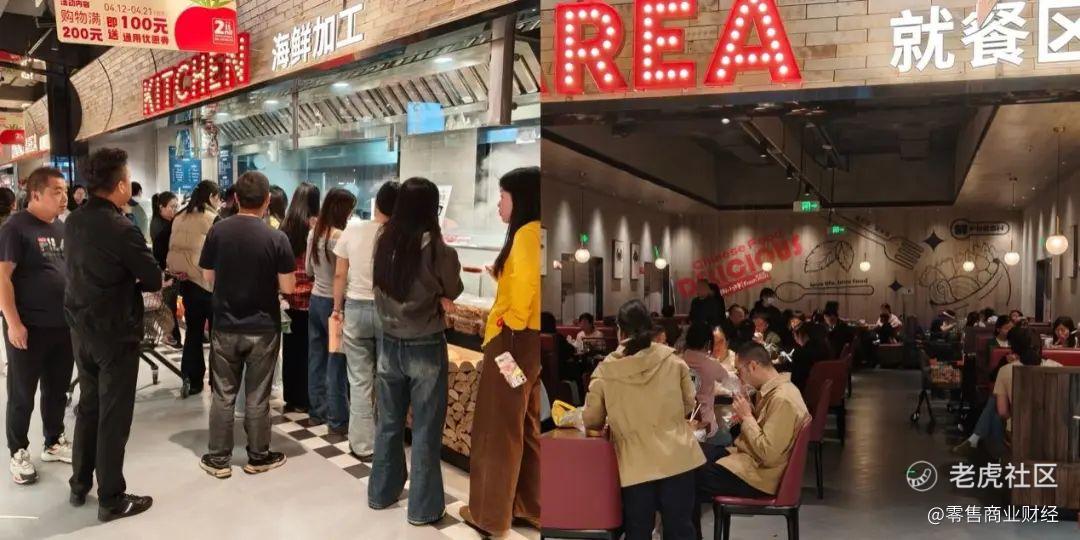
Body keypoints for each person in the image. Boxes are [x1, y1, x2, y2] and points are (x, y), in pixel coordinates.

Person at [64, 148, 161, 521]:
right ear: (120, 185)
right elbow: (152, 277)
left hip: (81, 328)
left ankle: (79, 484)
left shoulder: (74, 220)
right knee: (114, 415)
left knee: (89, 405)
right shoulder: (122, 227)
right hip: (115, 332)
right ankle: (111, 498)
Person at [368, 177, 463, 526]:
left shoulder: (384, 242)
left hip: (389, 342)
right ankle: (423, 508)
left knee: (388, 422)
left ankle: (381, 492)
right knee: (425, 429)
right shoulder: (439, 250)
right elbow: (453, 287)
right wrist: (438, 296)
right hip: (425, 344)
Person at [197, 171, 296, 479]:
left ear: (236, 199)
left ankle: (218, 459)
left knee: (223, 394)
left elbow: (208, 276)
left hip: (225, 325)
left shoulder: (218, 231)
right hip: (263, 328)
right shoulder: (277, 238)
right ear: (267, 201)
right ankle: (258, 456)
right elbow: (289, 286)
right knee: (258, 395)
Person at [462, 167, 542, 536]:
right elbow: (523, 282)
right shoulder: (535, 233)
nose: (498, 203)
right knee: (524, 425)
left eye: (503, 196)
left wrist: (507, 323)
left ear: (520, 198)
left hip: (511, 341)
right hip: (529, 343)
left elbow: (523, 291)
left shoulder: (525, 234)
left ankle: (490, 515)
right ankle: (528, 506)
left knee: (497, 427)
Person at [582, 300, 704, 540]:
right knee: (680, 529)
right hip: (678, 457)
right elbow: (689, 404)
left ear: (620, 330)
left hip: (635, 464)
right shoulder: (672, 360)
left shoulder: (606, 370)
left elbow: (593, 419)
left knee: (638, 531)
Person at [0, 167, 73, 485]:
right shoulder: (15, 228)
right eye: (57, 191)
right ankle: (18, 451)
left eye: (65, 190)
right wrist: (13, 323)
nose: (64, 197)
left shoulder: (61, 227)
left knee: (57, 389)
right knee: (22, 393)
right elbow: (2, 278)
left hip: (62, 325)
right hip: (28, 326)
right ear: (36, 194)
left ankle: (53, 441)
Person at [331, 181, 399, 460]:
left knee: (359, 381)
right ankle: (385, 443)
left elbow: (339, 274)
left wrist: (337, 308)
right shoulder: (399, 236)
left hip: (356, 308)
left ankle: (362, 445)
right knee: (386, 379)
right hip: (387, 311)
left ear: (376, 204)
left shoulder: (353, 229)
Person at [697, 343, 809, 503]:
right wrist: (749, 414)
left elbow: (768, 454)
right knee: (693, 450)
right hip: (749, 460)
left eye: (739, 371)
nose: (739, 377)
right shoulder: (774, 392)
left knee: (685, 472)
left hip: (759, 477)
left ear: (753, 366)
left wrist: (747, 417)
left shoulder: (783, 399)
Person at [306, 188, 355, 437]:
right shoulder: (340, 237)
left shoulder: (314, 232)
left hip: (315, 300)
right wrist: (338, 307)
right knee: (336, 361)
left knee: (316, 358)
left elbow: (308, 269)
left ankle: (317, 411)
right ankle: (337, 418)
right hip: (334, 304)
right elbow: (342, 276)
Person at [167, 181, 221, 397]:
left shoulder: (180, 216)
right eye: (218, 197)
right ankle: (217, 381)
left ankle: (191, 379)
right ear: (212, 197)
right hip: (209, 285)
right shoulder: (213, 219)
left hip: (187, 284)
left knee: (193, 332)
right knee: (217, 335)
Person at [279, 182, 320, 415]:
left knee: (291, 348)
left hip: (289, 296)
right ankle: (306, 397)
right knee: (309, 351)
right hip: (311, 297)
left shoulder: (285, 226)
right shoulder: (316, 226)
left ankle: (291, 395)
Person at [993, 327, 1061, 434]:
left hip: (1018, 430)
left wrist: (1012, 420)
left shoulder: (1004, 371)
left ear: (1014, 348)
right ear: (1040, 346)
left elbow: (1002, 411)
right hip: (1052, 431)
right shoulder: (1058, 367)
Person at [682, 323, 723, 443]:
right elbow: (731, 383)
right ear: (708, 344)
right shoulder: (712, 365)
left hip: (681, 426)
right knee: (726, 436)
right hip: (705, 427)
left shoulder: (677, 361)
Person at [150, 191, 181, 347]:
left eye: (176, 206)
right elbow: (161, 252)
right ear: (161, 207)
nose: (175, 210)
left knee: (170, 305)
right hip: (165, 271)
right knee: (168, 307)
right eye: (171, 207)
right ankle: (171, 336)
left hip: (168, 270)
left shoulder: (166, 223)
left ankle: (173, 336)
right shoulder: (159, 225)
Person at [790, 322, 832, 392]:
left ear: (801, 334)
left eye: (795, 336)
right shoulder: (826, 349)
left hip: (805, 390)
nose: (795, 340)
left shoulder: (800, 353)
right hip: (823, 388)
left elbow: (795, 380)